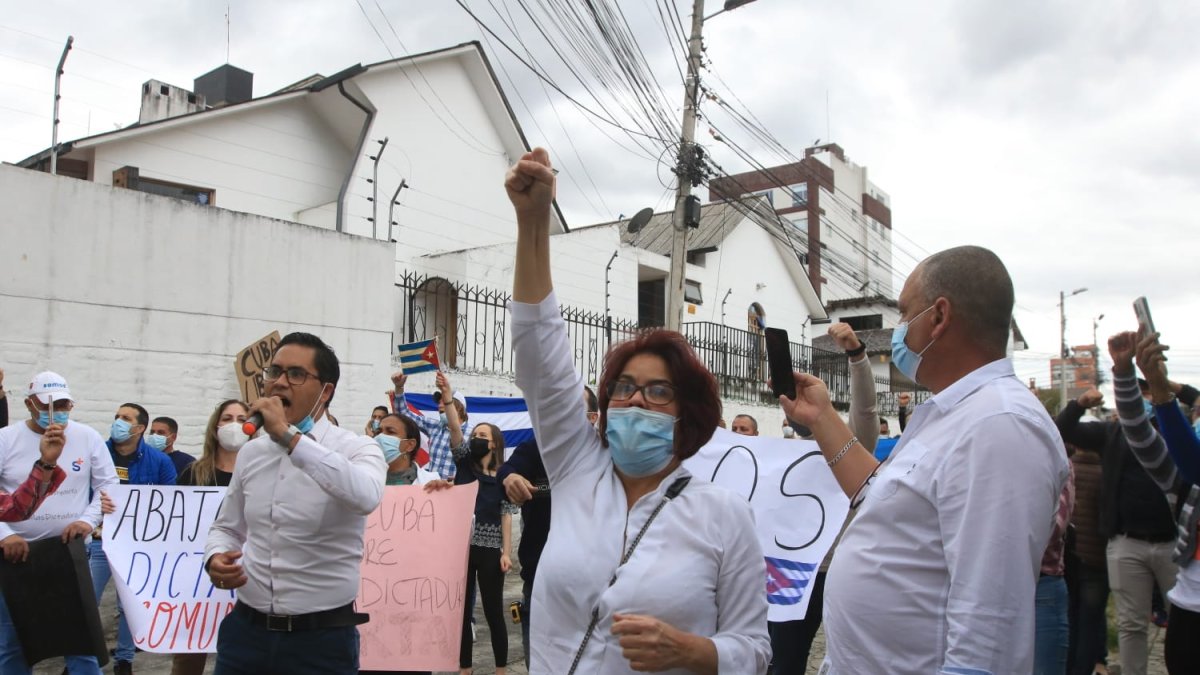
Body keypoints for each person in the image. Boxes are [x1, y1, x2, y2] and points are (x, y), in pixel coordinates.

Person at [507, 148, 770, 673]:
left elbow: (756, 649)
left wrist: (694, 650)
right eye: (624, 387)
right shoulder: (577, 466)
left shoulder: (724, 515)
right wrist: (533, 223)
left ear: (687, 415)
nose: (633, 400)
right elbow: (540, 352)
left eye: (657, 392)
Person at [779, 245, 1068, 673]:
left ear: (938, 317)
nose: (898, 330)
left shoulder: (1000, 427)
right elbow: (875, 494)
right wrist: (821, 418)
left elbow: (989, 633)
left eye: (903, 314)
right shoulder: (948, 414)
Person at [205, 332, 387, 675]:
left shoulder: (358, 448)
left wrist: (289, 437)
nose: (280, 383)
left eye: (296, 374)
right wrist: (215, 557)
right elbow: (226, 526)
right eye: (274, 372)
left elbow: (365, 496)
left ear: (326, 391)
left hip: (321, 642)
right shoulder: (251, 453)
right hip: (246, 634)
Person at [1056, 365, 1191, 675]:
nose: (1142, 396)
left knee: (1185, 622)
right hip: (1126, 541)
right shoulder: (1112, 433)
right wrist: (1079, 404)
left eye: (1147, 390)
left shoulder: (1175, 432)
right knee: (1131, 624)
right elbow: (1062, 429)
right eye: (1136, 390)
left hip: (1174, 543)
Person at [769, 321, 880, 674]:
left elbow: (865, 411)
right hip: (788, 569)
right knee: (781, 655)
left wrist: (857, 356)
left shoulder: (849, 447)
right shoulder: (773, 456)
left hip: (833, 570)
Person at [0, 371, 119, 675]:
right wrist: (4, 535)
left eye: (64, 405)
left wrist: (86, 520)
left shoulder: (87, 436)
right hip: (17, 554)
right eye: (49, 406)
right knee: (12, 641)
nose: (58, 413)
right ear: (29, 404)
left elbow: (109, 485)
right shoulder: (6, 439)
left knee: (81, 641)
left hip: (71, 552)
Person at [498, 385, 599, 665]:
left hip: (596, 588)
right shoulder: (534, 450)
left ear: (592, 418)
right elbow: (507, 470)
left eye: (573, 407)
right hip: (540, 583)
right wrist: (509, 479)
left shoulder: (605, 457)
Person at [1118, 329, 1200, 673]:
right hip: (1189, 611)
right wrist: (1125, 374)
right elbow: (1140, 434)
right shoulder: (1184, 484)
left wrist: (1164, 390)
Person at [424, 371, 514, 675]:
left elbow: (506, 514)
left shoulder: (503, 477)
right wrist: (447, 397)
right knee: (460, 612)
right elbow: (453, 427)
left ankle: (501, 669)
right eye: (474, 435)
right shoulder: (463, 462)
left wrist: (505, 552)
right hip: (460, 548)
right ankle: (465, 668)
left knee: (493, 612)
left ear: (494, 444)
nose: (476, 439)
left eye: (482, 437)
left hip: (490, 551)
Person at [92, 402, 177, 674]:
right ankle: (83, 659)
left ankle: (125, 660)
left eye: (126, 418)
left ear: (140, 428)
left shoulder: (161, 462)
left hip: (136, 545)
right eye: (117, 416)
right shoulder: (98, 454)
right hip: (99, 540)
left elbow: (169, 503)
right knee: (85, 602)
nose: (118, 421)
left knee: (128, 603)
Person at [171, 399, 249, 675]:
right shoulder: (193, 472)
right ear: (216, 427)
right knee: (189, 654)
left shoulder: (260, 472)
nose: (234, 425)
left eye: (242, 418)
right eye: (227, 418)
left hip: (245, 577)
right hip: (194, 580)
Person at [1066, 440, 1111, 675]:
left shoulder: (1065, 469)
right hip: (1096, 559)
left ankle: (1068, 665)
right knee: (1091, 619)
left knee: (1070, 615)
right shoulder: (1105, 474)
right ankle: (1084, 668)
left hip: (1069, 558)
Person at [390, 372, 467, 479]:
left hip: (455, 491)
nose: (439, 406)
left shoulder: (473, 434)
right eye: (439, 402)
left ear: (459, 408)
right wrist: (399, 387)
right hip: (432, 489)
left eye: (444, 402)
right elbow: (404, 414)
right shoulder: (435, 427)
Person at [378, 413, 439, 486]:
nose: (380, 436)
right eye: (378, 432)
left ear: (410, 445)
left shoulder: (431, 481)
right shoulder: (364, 479)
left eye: (390, 432)